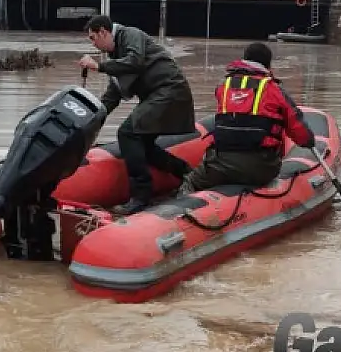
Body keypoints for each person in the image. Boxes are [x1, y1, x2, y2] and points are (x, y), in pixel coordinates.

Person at [78, 15, 196, 215]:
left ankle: (141, 196)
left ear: (103, 32)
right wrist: (89, 122)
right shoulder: (117, 58)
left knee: (127, 133)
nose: (93, 44)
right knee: (143, 145)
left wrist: (99, 66)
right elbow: (111, 97)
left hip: (169, 90)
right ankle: (187, 173)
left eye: (93, 38)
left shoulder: (130, 35)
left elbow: (135, 61)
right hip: (157, 96)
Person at [178, 42, 315, 195]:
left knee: (190, 181)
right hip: (262, 169)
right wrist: (310, 141)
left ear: (244, 60)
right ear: (268, 65)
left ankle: (180, 213)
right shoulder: (275, 90)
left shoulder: (223, 87)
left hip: (221, 165)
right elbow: (301, 133)